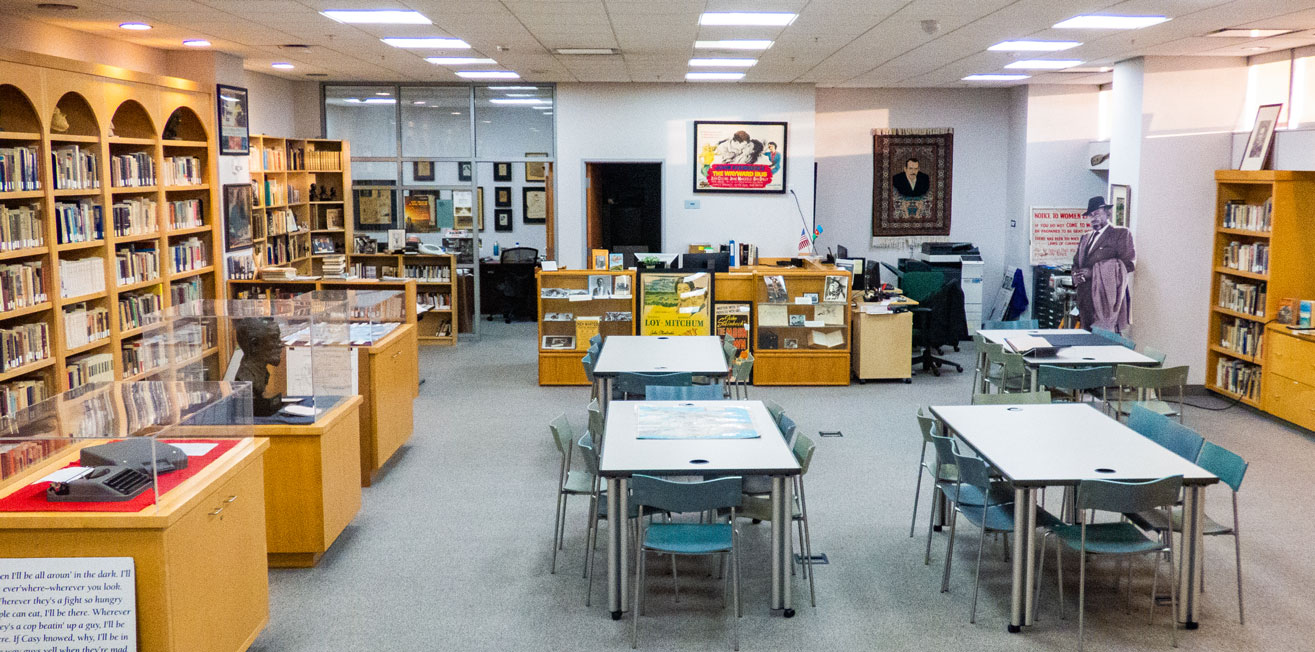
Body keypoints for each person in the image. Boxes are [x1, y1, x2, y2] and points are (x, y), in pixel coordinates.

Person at [1072, 195, 1135, 333]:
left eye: (1097, 213)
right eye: (1091, 215)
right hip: (1085, 300)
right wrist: (1076, 275)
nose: (1094, 218)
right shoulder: (1085, 237)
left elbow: (1127, 265)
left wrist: (1094, 272)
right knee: (1086, 343)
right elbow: (1076, 263)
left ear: (1107, 213)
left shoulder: (1120, 234)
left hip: (1106, 300)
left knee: (1105, 341)